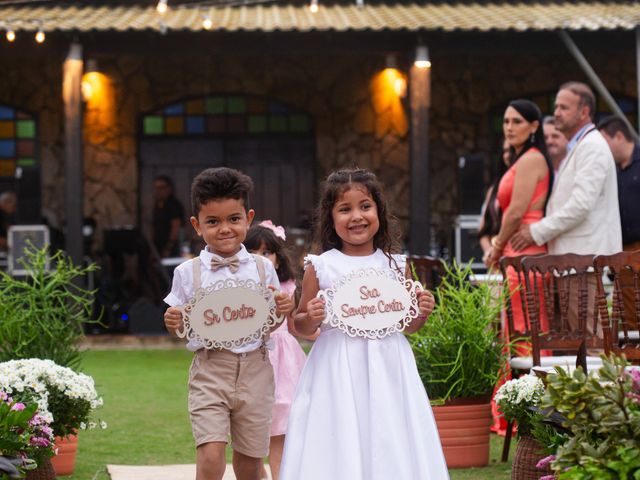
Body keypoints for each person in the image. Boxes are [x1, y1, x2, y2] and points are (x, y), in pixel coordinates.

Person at [279, 168, 448, 480]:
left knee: (389, 431)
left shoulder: (396, 265)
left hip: (389, 365)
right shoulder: (322, 265)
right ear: (331, 218)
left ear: (379, 211)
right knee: (340, 431)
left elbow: (407, 324)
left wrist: (421, 312)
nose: (356, 216)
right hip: (337, 368)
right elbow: (300, 325)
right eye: (345, 209)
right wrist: (310, 317)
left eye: (365, 206)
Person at [163, 167, 295, 480]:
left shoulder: (262, 269)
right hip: (211, 370)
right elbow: (179, 324)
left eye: (233, 219)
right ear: (197, 225)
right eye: (213, 221)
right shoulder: (187, 273)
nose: (225, 229)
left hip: (256, 370)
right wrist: (172, 320)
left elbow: (268, 323)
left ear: (248, 219)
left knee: (249, 464)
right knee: (210, 457)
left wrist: (281, 309)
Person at [511, 82, 622, 333]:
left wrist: (536, 231)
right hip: (575, 262)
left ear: (584, 112)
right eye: (556, 106)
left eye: (564, 107)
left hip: (585, 262)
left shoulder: (592, 146)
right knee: (581, 340)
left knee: (591, 341)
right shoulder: (581, 146)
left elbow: (581, 205)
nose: (557, 112)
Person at [244, 221, 316, 480]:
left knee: (280, 431)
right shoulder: (238, 292)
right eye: (252, 253)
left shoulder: (287, 287)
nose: (260, 259)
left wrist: (326, 332)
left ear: (276, 259)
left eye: (266, 253)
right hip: (251, 360)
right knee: (250, 434)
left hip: (284, 362)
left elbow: (296, 325)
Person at [597, 114, 640, 326]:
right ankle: (635, 358)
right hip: (621, 250)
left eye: (604, 142)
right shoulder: (610, 169)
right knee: (628, 310)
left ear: (619, 137)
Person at [478, 138, 510, 264]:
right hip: (495, 261)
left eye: (512, 150)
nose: (508, 155)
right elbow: (483, 230)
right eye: (506, 151)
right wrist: (490, 252)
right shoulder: (493, 190)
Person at [152, 175, 185, 258]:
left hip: (172, 247)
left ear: (169, 189)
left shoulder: (173, 205)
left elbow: (176, 227)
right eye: (156, 188)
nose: (158, 191)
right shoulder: (157, 205)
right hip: (159, 245)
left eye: (161, 188)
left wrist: (169, 247)